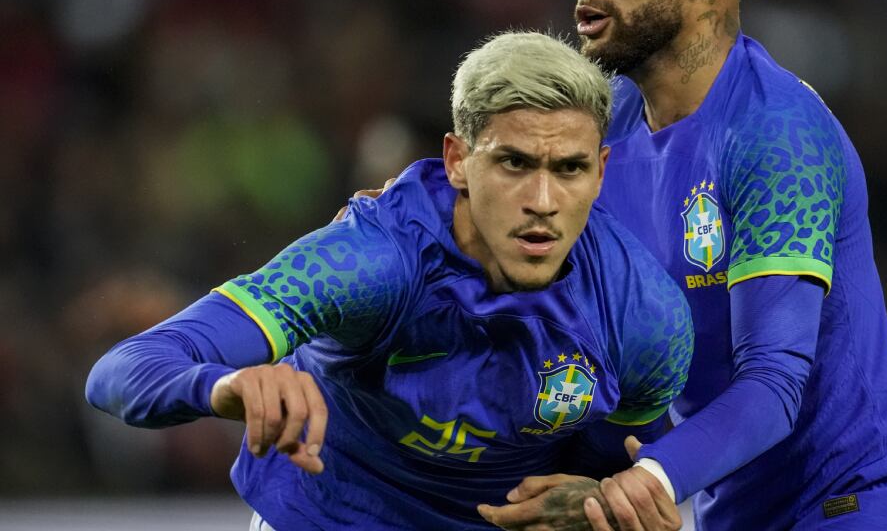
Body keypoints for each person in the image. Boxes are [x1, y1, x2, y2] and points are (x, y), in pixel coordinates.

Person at [444, 0, 887, 531]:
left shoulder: (775, 133)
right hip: (732, 514)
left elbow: (775, 385)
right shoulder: (605, 128)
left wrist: (642, 482)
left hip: (861, 510)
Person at [86, 32, 694, 530]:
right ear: (458, 161)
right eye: (514, 163)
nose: (542, 200)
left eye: (569, 169)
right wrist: (225, 386)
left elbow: (605, 473)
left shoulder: (642, 318)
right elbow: (120, 371)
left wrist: (604, 505)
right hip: (327, 518)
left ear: (601, 170)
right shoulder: (368, 263)